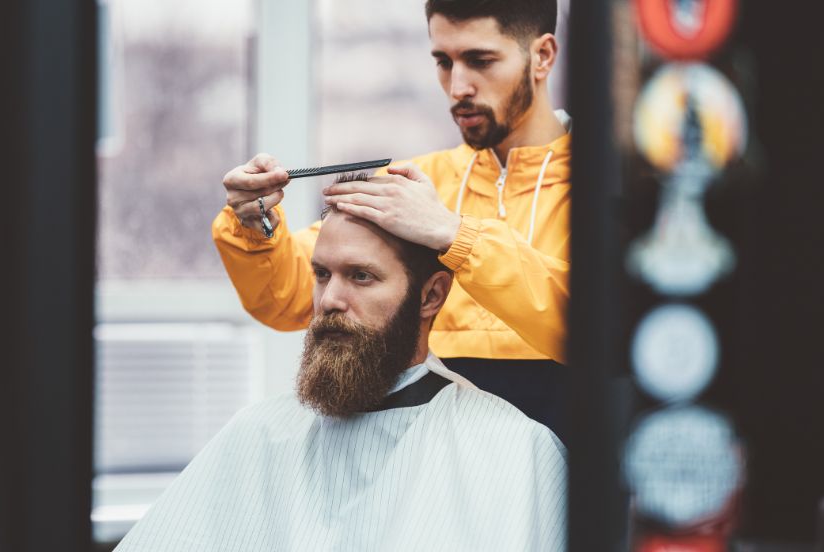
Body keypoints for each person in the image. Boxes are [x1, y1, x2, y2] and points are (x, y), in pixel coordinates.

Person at [117, 184, 567, 551]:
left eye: (361, 276)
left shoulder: (514, 450)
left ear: (430, 297)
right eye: (322, 274)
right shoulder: (259, 433)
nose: (330, 299)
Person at [214, 0, 571, 438]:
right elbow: (289, 295)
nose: (458, 87)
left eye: (480, 60)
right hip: (428, 467)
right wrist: (254, 224)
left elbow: (603, 328)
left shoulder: (611, 189)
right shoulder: (414, 187)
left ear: (543, 55)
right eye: (443, 61)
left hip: (572, 475)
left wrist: (455, 235)